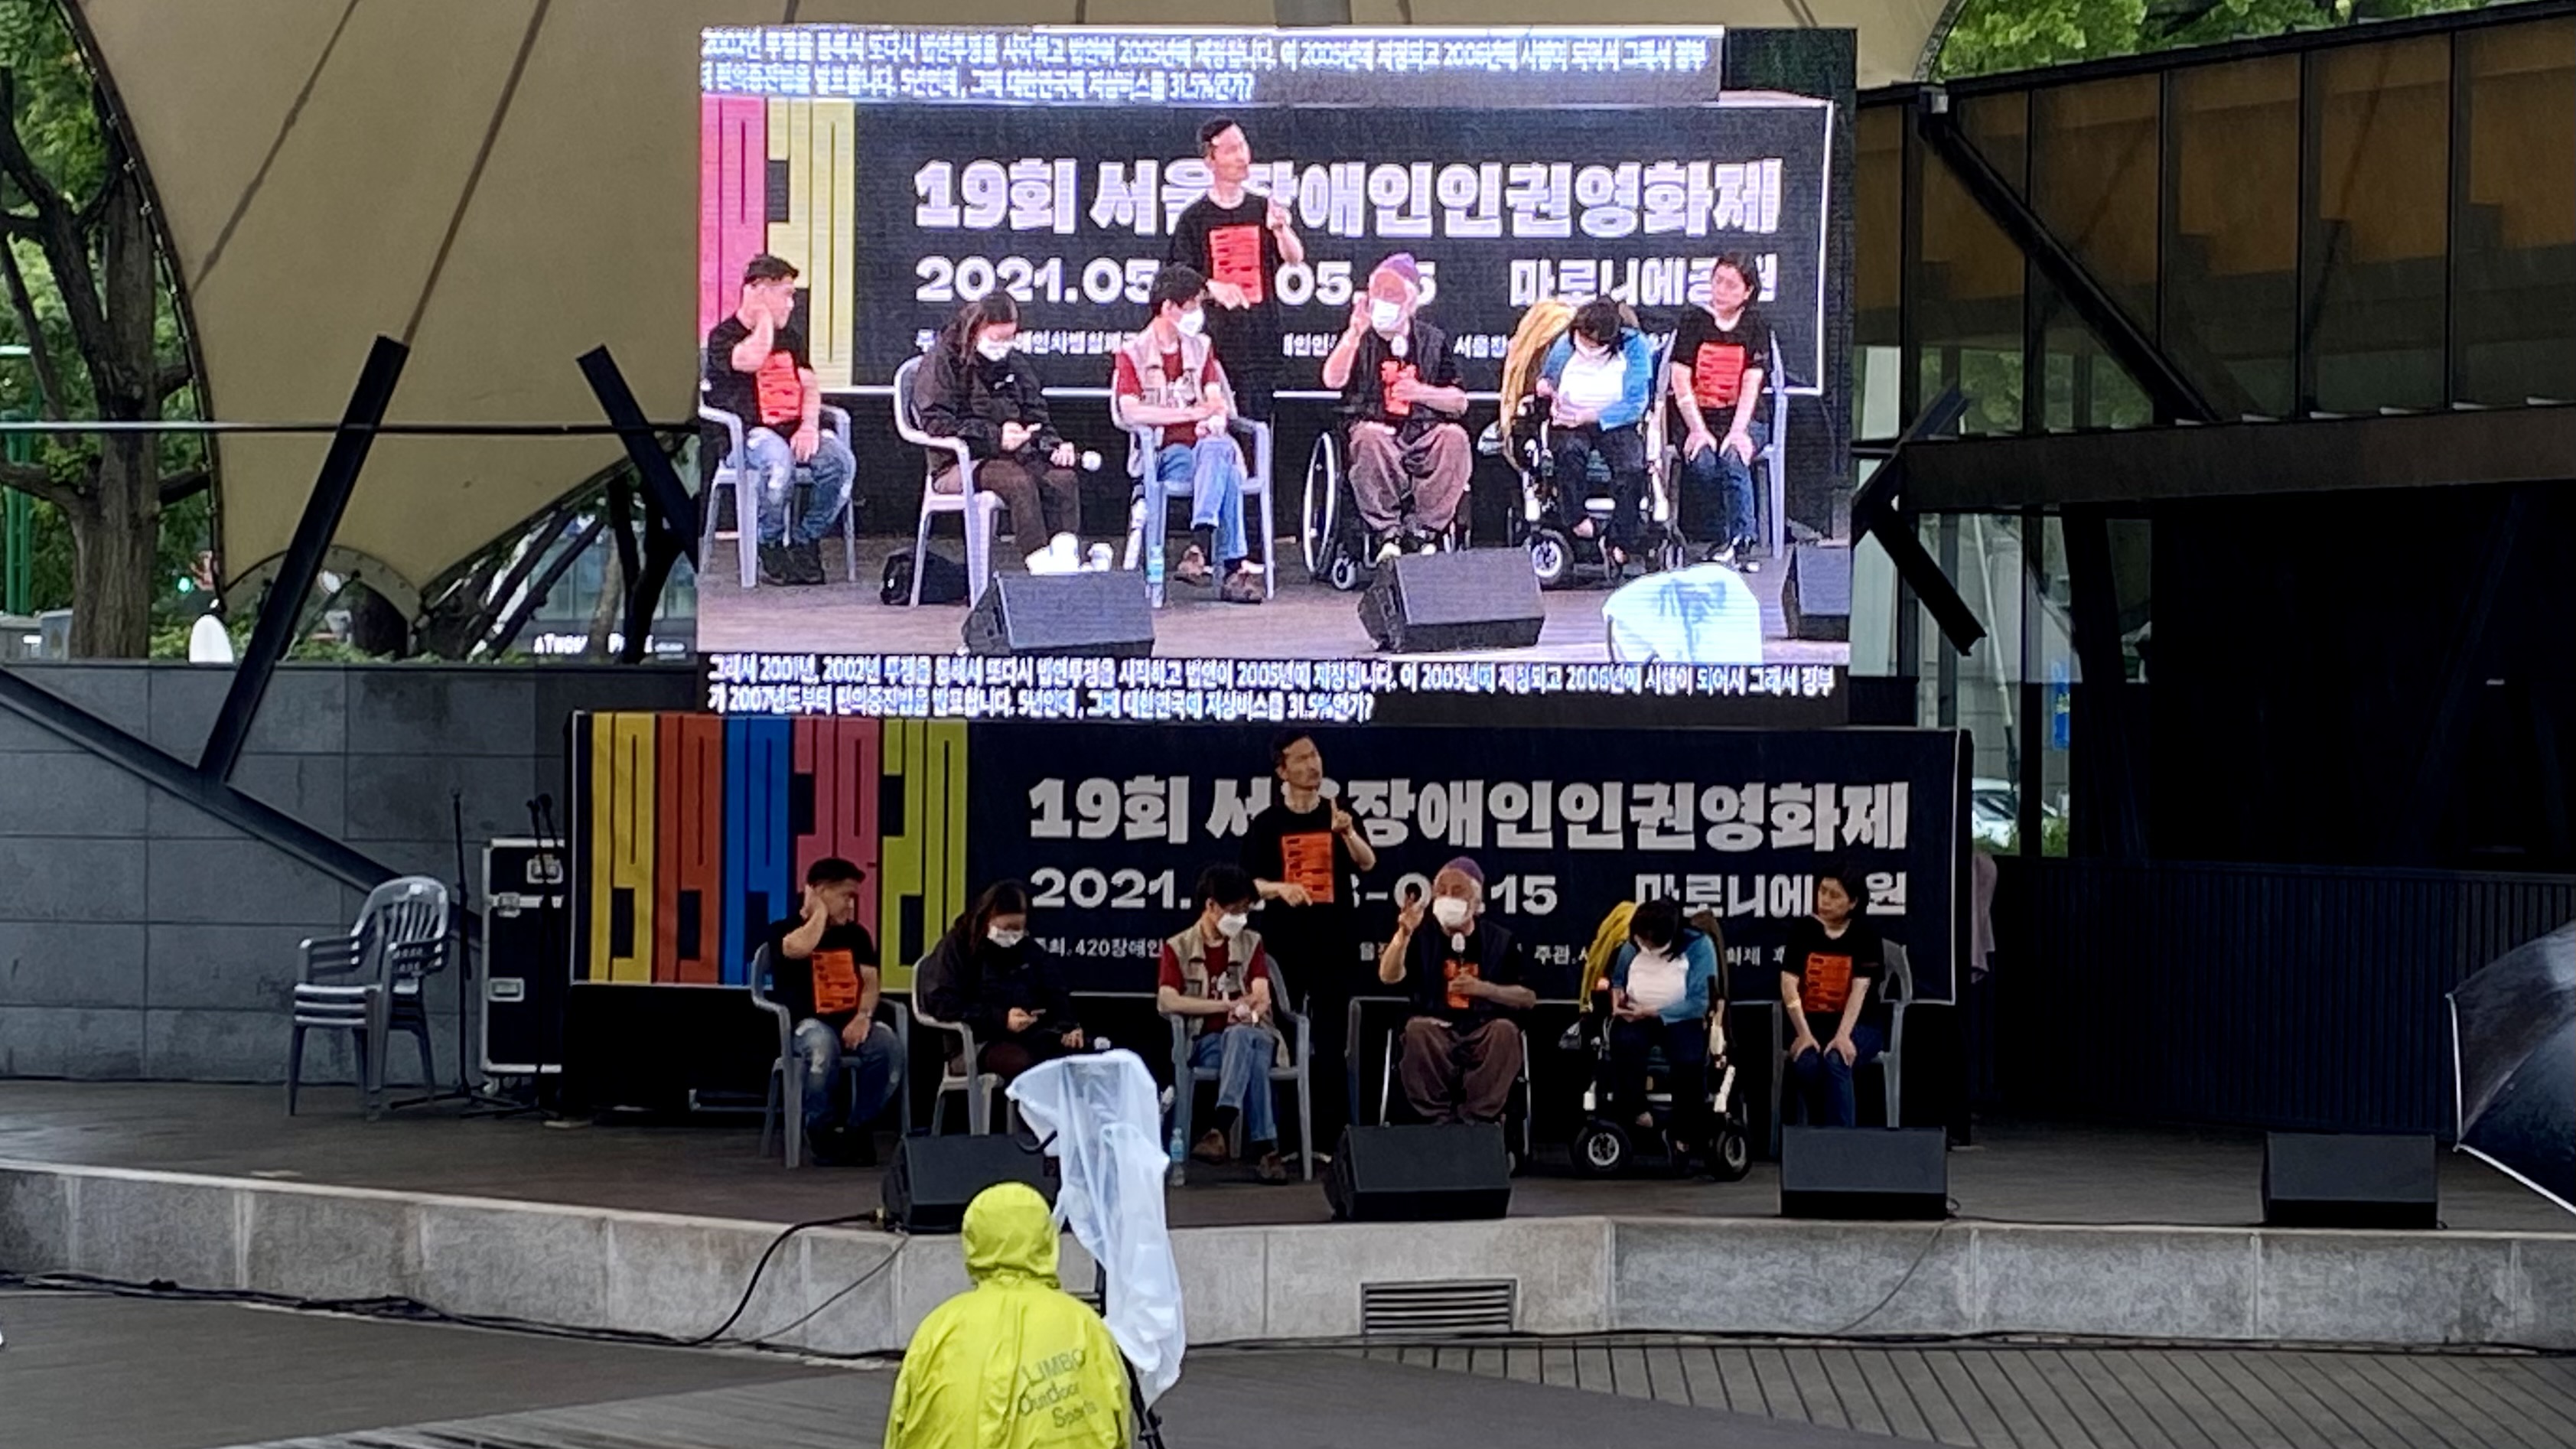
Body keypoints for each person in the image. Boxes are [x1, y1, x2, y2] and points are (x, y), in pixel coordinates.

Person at [882, 1182, 1131, 1449]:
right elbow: (1117, 1418)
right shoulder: (1085, 1326)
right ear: (1047, 1239)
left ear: (972, 1241)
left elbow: (900, 1424)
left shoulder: (938, 1328)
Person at [1239, 730, 1376, 1152]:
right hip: (1285, 945)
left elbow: (1368, 863)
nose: (1312, 764)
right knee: (1283, 1038)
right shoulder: (1267, 824)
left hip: (1334, 944)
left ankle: (1334, 1140)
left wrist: (1347, 833)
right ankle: (1281, 1141)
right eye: (1300, 759)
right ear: (1282, 771)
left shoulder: (1339, 814)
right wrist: (1281, 888)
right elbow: (1249, 885)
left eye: (1314, 755)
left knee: (1331, 1040)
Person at [702, 252, 857, 586]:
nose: (791, 304)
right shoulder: (723, 337)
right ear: (760, 289)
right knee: (778, 462)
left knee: (840, 463)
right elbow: (752, 359)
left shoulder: (792, 339)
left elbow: (810, 385)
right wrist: (762, 317)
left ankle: (805, 540)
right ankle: (769, 542)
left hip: (793, 428)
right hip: (747, 437)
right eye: (785, 294)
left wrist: (809, 425)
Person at [1112, 264, 1262, 604]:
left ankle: (1199, 547)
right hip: (1167, 453)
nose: (1198, 315)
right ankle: (1231, 566)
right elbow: (1131, 411)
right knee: (1226, 470)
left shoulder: (1201, 347)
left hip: (1205, 447)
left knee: (1218, 449)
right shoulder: (1132, 352)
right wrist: (1188, 414)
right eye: (1192, 306)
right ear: (1169, 307)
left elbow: (1215, 398)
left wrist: (1214, 418)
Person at [914, 292, 1089, 574]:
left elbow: (1036, 415)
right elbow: (936, 421)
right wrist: (995, 437)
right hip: (957, 464)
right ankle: (1040, 565)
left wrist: (1055, 445)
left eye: (1010, 338)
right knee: (1018, 482)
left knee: (1063, 479)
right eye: (997, 338)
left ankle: (1066, 561)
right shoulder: (942, 360)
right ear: (977, 330)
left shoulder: (1014, 364)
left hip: (1015, 455)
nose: (1003, 346)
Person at [1321, 253, 1472, 562]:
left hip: (1422, 430)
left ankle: (1424, 531)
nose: (1384, 303)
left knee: (1454, 438)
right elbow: (1332, 380)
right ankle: (1386, 532)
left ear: (1411, 303)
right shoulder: (1359, 336)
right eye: (1378, 295)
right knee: (1370, 439)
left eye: (1392, 297)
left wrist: (1421, 393)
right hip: (1374, 429)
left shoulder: (1432, 340)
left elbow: (1459, 401)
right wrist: (1353, 334)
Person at [761, 857, 908, 1164]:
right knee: (822, 1046)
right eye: (846, 896)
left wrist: (863, 1016)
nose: (851, 906)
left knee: (887, 1045)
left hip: (852, 1021)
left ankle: (858, 1127)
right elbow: (799, 949)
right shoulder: (783, 931)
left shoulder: (857, 935)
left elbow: (870, 984)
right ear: (820, 891)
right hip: (806, 1025)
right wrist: (818, 912)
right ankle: (820, 1129)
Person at [1157, 864, 1290, 1184]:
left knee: (1243, 1036)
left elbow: (1261, 997)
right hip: (1208, 1043)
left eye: (1246, 910)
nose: (1241, 918)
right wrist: (1224, 1006)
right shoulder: (1178, 947)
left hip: (1256, 1032)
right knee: (1247, 1050)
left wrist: (1249, 1011)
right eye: (1235, 910)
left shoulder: (1251, 942)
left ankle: (1220, 1127)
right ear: (1211, 905)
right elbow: (1168, 1000)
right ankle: (1266, 1149)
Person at [1165, 116, 1302, 424]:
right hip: (1214, 339)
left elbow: (1295, 258)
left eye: (1243, 146)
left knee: (1258, 421)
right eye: (1230, 150)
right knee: (1215, 419)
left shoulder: (1261, 208)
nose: (1242, 156)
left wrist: (1281, 230)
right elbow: (1177, 276)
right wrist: (1211, 286)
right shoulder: (1194, 218)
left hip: (1259, 336)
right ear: (1210, 160)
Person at [1378, 857, 1536, 1125]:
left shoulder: (1500, 940)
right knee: (1418, 1031)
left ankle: (1475, 1122)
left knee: (1505, 1033)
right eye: (1441, 891)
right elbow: (1388, 976)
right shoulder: (1421, 935)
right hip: (1435, 1026)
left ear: (1476, 902)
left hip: (1482, 1027)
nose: (1448, 897)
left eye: (1457, 891)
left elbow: (1528, 998)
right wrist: (1403, 935)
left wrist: (1484, 989)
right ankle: (1437, 1121)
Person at [919, 881, 1084, 1086]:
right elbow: (941, 1002)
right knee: (1028, 1065)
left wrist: (1068, 1026)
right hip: (974, 1044)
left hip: (1028, 1037)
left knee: (1074, 1060)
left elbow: (1055, 990)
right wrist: (1001, 1019)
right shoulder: (958, 946)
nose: (1012, 936)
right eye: (1007, 928)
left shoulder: (1028, 949)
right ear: (988, 918)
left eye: (1018, 929)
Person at [1536, 298, 1656, 570]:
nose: (1587, 347)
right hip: (1569, 420)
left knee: (1631, 466)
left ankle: (1620, 542)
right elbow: (1548, 378)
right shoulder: (1567, 342)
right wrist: (1547, 390)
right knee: (1569, 453)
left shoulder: (1634, 346)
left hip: (1616, 421)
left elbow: (1636, 402)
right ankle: (1577, 521)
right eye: (1583, 339)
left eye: (1594, 344)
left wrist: (1594, 416)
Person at [1669, 255, 1773, 566]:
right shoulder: (1692, 322)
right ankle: (1719, 537)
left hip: (1746, 416)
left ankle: (1742, 541)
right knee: (1703, 464)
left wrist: (1739, 431)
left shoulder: (1756, 325)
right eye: (1717, 281)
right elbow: (1680, 378)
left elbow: (1752, 383)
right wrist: (1697, 429)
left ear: (1747, 291)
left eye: (1731, 285)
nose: (1721, 290)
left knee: (1733, 456)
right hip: (1698, 417)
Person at [1603, 897, 1720, 1165]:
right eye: (1640, 940)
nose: (1644, 946)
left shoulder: (1698, 946)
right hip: (1635, 1015)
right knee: (1624, 1044)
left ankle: (1684, 1133)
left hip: (1680, 1017)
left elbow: (1699, 1001)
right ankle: (1636, 1112)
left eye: (1650, 943)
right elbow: (1618, 980)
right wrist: (1617, 1001)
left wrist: (1655, 1012)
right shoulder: (1632, 945)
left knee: (1688, 1059)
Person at [1781, 866, 1890, 1128]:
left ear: (1853, 902)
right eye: (1822, 892)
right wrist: (1803, 1033)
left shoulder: (1866, 934)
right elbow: (1788, 983)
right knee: (1807, 1065)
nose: (1825, 901)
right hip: (1812, 1025)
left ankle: (1842, 1141)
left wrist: (1843, 1036)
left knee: (1837, 1059)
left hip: (1861, 1025)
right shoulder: (1803, 930)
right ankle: (1816, 1136)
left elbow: (1860, 990)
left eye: (1835, 895)